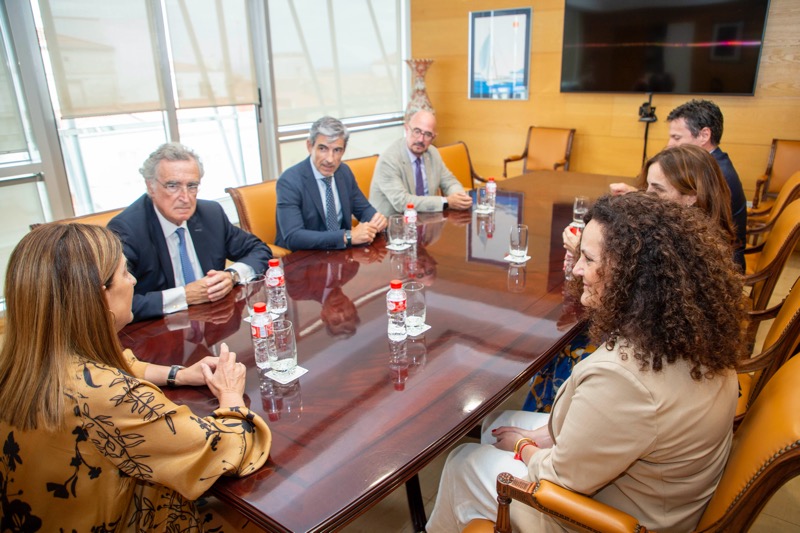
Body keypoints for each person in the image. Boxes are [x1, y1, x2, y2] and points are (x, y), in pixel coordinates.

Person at [427, 193, 747, 533]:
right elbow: (609, 427)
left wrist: (524, 446)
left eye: (588, 259)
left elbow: (558, 478)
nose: (577, 268)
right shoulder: (689, 333)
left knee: (463, 461)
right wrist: (536, 438)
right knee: (497, 420)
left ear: (632, 277)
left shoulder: (624, 379)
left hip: (603, 518)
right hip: (655, 491)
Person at [0, 223, 272, 531]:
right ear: (98, 295)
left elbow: (121, 363)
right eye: (125, 272)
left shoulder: (20, 358)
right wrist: (232, 396)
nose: (132, 280)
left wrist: (179, 375)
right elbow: (225, 449)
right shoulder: (109, 397)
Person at [532, 143, 741, 413]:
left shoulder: (685, 254)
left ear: (691, 197)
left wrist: (595, 261)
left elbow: (642, 314)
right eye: (646, 188)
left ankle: (552, 417)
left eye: (656, 190)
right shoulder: (699, 238)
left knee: (564, 347)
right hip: (672, 361)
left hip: (655, 366)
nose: (647, 196)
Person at [108, 142, 272, 322]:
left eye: (192, 186)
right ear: (150, 187)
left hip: (214, 323)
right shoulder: (126, 230)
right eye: (172, 186)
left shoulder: (210, 214)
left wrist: (232, 276)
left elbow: (260, 250)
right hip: (159, 331)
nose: (185, 198)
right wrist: (184, 296)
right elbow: (114, 304)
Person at [611, 99, 746, 264]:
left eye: (676, 137)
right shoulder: (709, 166)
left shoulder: (716, 175)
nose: (669, 145)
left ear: (704, 135)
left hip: (714, 265)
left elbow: (677, 227)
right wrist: (639, 196)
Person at [275, 116, 387, 251]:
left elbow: (363, 209)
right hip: (305, 259)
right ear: (310, 146)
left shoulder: (343, 172)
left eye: (337, 150)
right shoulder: (289, 181)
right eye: (323, 149)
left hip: (342, 258)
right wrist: (347, 236)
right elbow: (294, 237)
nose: (330, 159)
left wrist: (376, 220)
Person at [369, 109, 473, 216]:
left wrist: (460, 197)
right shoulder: (389, 160)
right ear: (406, 129)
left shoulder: (432, 153)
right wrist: (447, 202)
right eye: (417, 131)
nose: (421, 139)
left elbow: (449, 182)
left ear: (434, 137)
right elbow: (402, 202)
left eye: (427, 134)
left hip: (426, 220)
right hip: (392, 225)